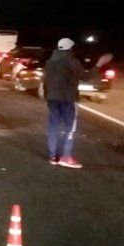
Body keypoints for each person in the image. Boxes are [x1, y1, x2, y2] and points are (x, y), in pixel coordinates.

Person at [44, 38, 84, 169]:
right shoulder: (72, 61)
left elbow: (46, 80)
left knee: (53, 127)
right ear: (70, 48)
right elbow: (84, 76)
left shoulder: (50, 62)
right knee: (69, 128)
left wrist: (47, 96)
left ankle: (53, 156)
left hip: (52, 99)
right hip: (68, 99)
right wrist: (98, 66)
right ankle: (66, 156)